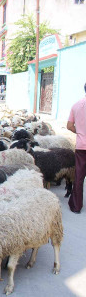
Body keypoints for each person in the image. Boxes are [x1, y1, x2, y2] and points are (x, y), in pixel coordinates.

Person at [66, 82, 86, 214]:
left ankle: (76, 206)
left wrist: (79, 132)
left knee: (79, 177)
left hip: (81, 147)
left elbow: (69, 126)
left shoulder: (76, 105)